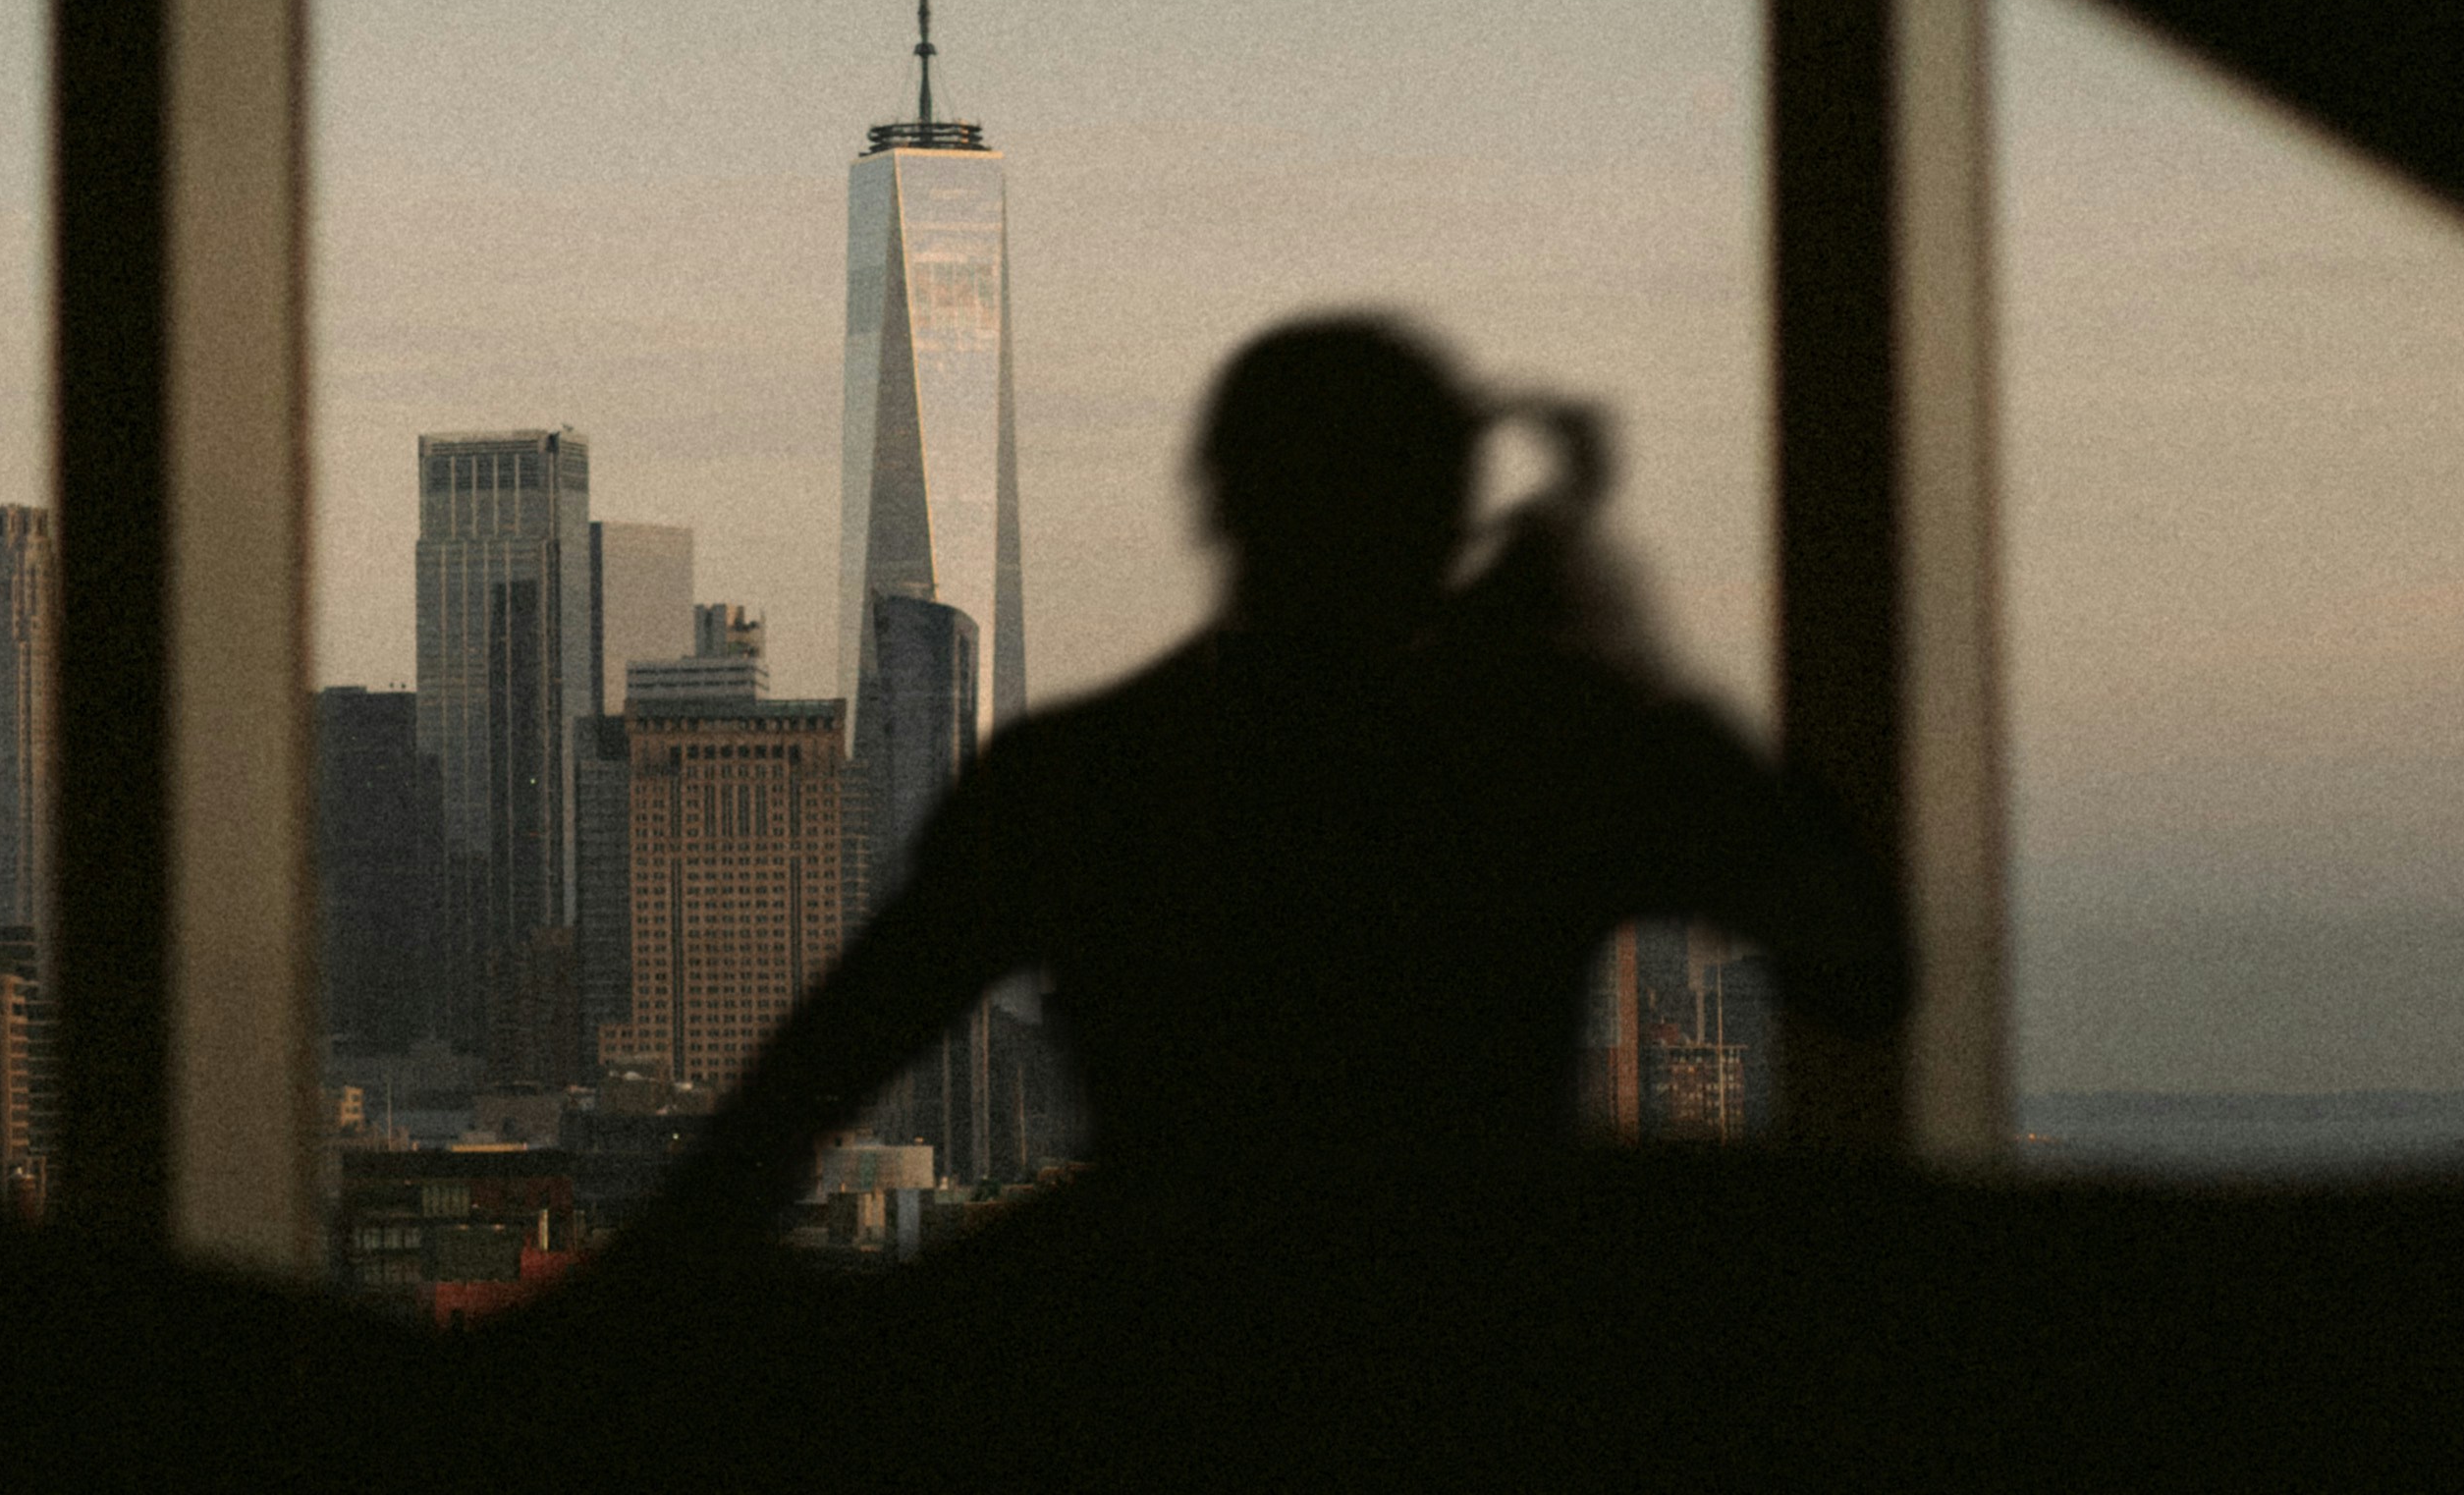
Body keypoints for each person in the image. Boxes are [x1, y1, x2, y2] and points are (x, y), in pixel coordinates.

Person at [640, 312, 1910, 1244]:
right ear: (1446, 522)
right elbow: (1860, 969)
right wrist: (1632, 661)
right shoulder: (1545, 754)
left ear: (1217, 504)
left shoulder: (1081, 777)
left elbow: (796, 1094)